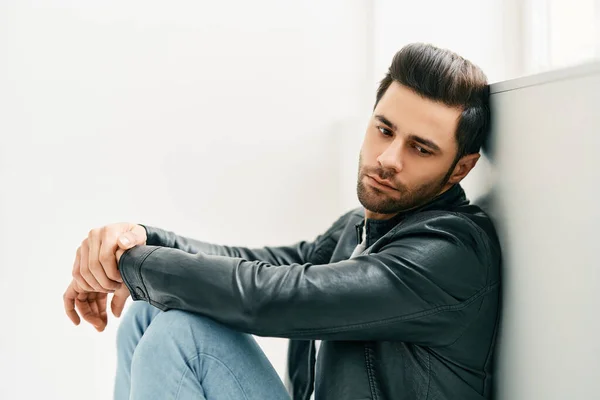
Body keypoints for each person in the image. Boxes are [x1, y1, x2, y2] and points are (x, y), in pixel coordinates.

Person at [64, 42, 501, 400]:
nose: (388, 160)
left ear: (460, 168)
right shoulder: (358, 228)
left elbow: (272, 297)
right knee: (146, 310)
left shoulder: (451, 250)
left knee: (181, 333)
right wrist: (136, 242)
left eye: (420, 149)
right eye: (384, 130)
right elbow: (257, 264)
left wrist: (133, 265)